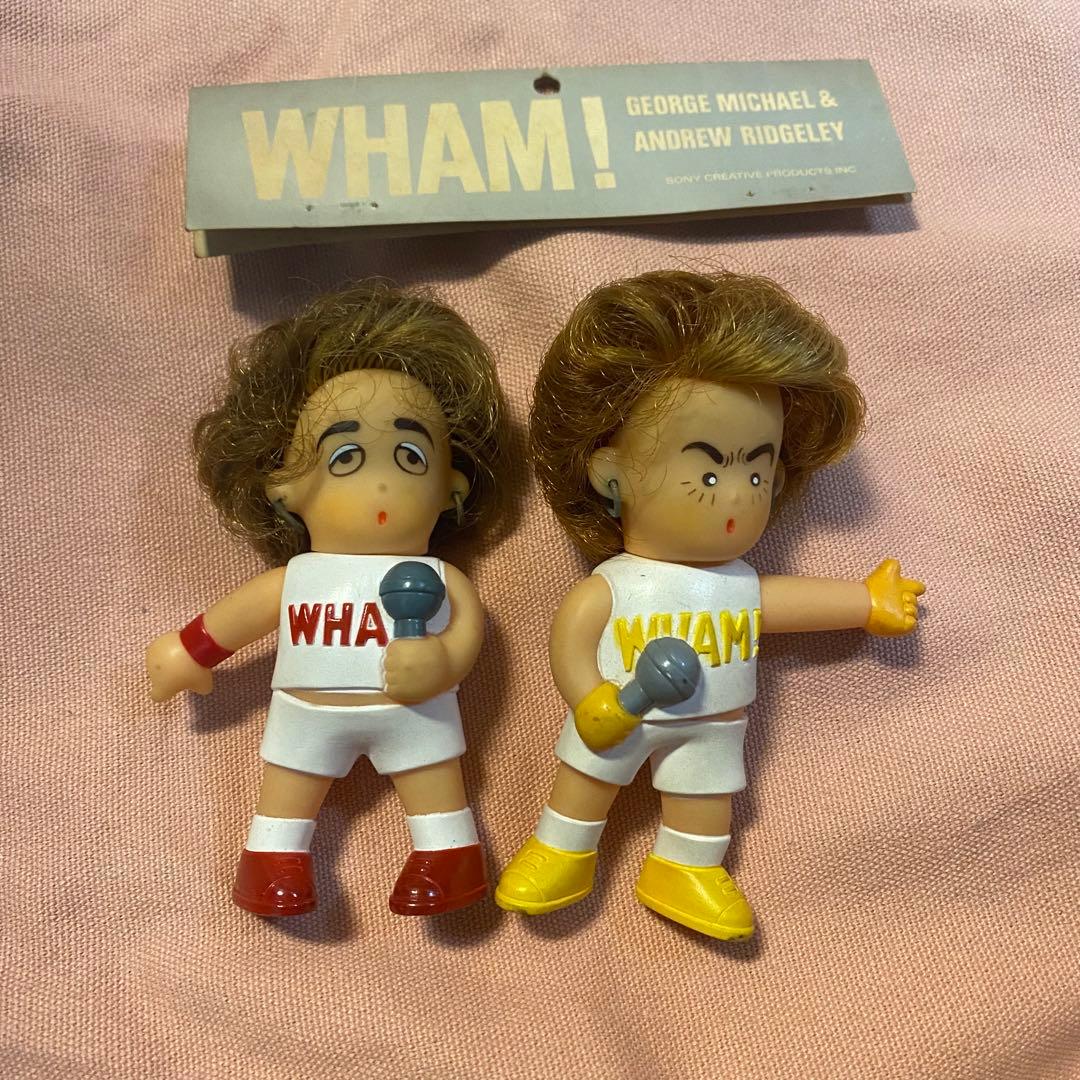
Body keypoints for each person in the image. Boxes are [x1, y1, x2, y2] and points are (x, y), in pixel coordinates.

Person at [495, 269, 925, 940]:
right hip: (618, 714)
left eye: (756, 470)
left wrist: (866, 602)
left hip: (711, 724)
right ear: (610, 475)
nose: (735, 494)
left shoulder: (737, 585)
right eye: (706, 468)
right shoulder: (616, 584)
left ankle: (687, 867)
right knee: (585, 779)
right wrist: (588, 697)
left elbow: (782, 603)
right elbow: (572, 638)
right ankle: (561, 850)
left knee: (705, 795)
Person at [147, 282, 505, 919]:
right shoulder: (296, 579)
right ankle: (273, 861)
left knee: (434, 777)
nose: (382, 483)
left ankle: (449, 856)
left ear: (450, 490)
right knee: (289, 781)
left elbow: (465, 638)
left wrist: (442, 662)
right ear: (286, 490)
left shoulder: (442, 580)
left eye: (410, 455)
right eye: (345, 457)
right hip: (308, 711)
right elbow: (240, 617)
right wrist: (189, 649)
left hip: (414, 712)